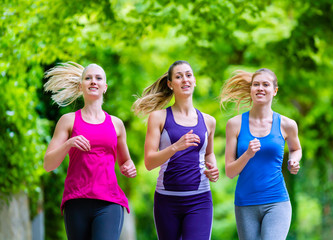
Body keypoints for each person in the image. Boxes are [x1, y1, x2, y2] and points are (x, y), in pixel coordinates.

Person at [43, 62, 137, 240]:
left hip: (109, 202)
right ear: (81, 86)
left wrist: (129, 167)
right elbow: (48, 164)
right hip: (76, 202)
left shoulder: (116, 124)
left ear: (105, 87)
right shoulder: (68, 121)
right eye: (88, 78)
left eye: (98, 78)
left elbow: (126, 161)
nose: (93, 81)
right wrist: (68, 144)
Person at [132, 60, 219, 240]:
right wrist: (176, 146)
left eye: (188, 75)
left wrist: (213, 169)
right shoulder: (158, 117)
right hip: (167, 200)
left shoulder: (208, 121)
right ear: (171, 84)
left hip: (200, 199)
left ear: (194, 80)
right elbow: (149, 162)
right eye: (178, 77)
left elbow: (209, 154)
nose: (185, 80)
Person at [220, 68, 301, 240]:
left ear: (274, 90)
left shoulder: (287, 124)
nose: (260, 88)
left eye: (266, 84)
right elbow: (230, 172)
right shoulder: (234, 124)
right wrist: (247, 154)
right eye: (256, 84)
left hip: (277, 201)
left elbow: (296, 149)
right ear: (250, 89)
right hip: (245, 203)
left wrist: (293, 160)